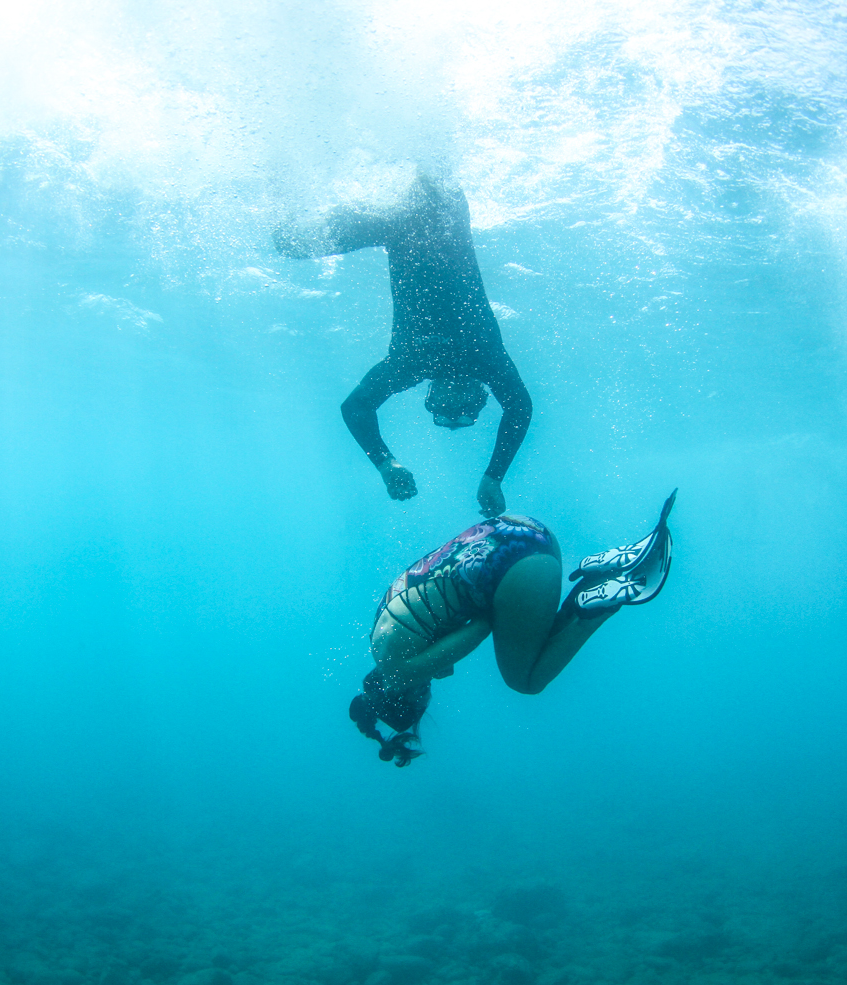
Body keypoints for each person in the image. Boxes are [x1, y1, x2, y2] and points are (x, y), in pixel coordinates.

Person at [350, 491, 677, 766]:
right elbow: (429, 599)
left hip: (514, 567)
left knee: (526, 680)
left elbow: (480, 627)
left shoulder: (399, 673)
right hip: (520, 530)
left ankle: (599, 604)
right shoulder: (378, 635)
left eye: (423, 695)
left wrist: (438, 660)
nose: (429, 690)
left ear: (405, 696)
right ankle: (599, 571)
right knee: (526, 639)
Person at [275, 171, 532, 518]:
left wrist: (386, 464)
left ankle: (286, 177)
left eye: (441, 412)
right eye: (463, 412)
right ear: (479, 393)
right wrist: (493, 477)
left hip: (398, 228)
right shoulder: (482, 359)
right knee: (431, 166)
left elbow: (355, 407)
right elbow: (519, 407)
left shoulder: (413, 366)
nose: (451, 406)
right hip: (445, 219)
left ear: (429, 398)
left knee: (288, 243)